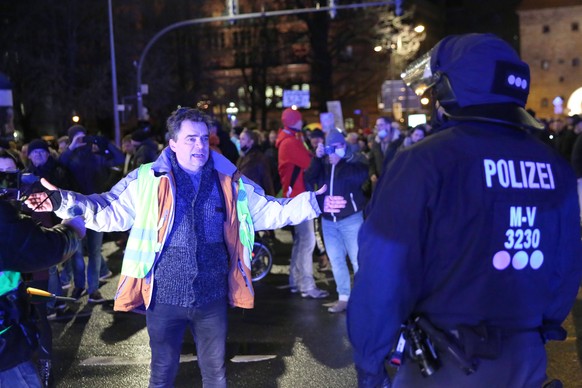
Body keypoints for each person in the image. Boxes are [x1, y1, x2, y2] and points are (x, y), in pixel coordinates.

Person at [26, 107, 345, 387]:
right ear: (173, 143)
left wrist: (312, 203)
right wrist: (63, 202)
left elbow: (268, 210)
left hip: (212, 298)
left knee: (215, 374)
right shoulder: (148, 179)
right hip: (163, 299)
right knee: (162, 374)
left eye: (204, 138)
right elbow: (107, 209)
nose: (200, 145)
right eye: (191, 138)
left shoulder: (229, 180)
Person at [348, 33, 582, 387]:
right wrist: (535, 329)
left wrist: (370, 365)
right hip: (526, 357)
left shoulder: (424, 162)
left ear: (451, 89)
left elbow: (383, 273)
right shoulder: (556, 168)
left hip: (447, 361)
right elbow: (565, 267)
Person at [0, 156, 84, 387]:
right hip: (5, 350)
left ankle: (47, 370)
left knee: (40, 319)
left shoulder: (30, 194)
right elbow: (44, 247)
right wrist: (72, 230)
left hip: (26, 287)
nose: (6, 180)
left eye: (9, 172)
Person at [305, 129, 368, 313]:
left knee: (358, 260)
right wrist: (317, 159)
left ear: (344, 145)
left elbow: (361, 175)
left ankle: (362, 297)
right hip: (329, 221)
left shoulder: (354, 159)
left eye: (339, 146)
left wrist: (343, 159)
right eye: (332, 147)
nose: (335, 150)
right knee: (336, 259)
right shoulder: (323, 163)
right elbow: (309, 178)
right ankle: (343, 297)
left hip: (351, 219)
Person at [59, 125, 124, 302]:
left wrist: (102, 142)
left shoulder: (97, 158)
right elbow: (59, 165)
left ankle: (93, 289)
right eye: (77, 138)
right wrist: (71, 147)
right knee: (76, 252)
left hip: (96, 209)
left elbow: (119, 158)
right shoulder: (69, 159)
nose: (82, 141)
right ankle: (79, 286)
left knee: (95, 252)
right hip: (75, 210)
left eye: (84, 137)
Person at [276, 108, 329, 299]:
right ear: (293, 121)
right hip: (300, 198)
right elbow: (310, 163)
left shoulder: (288, 140)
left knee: (301, 242)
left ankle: (295, 281)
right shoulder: (291, 142)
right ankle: (307, 286)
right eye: (298, 119)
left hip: (295, 197)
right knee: (307, 242)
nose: (301, 121)